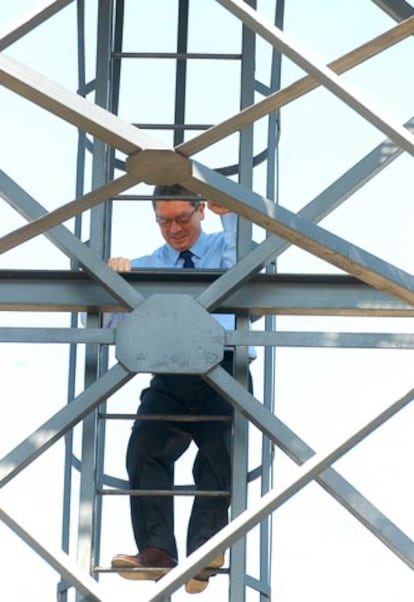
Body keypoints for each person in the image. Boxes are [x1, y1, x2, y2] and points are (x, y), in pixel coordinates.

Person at [108, 184, 253, 594]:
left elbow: (244, 267)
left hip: (222, 364)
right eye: (164, 221)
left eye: (182, 219)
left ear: (200, 211)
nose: (174, 229)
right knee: (144, 448)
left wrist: (231, 214)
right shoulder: (148, 264)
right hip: (171, 371)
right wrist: (116, 285)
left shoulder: (224, 246)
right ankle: (157, 550)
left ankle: (205, 549)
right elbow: (113, 330)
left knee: (218, 453)